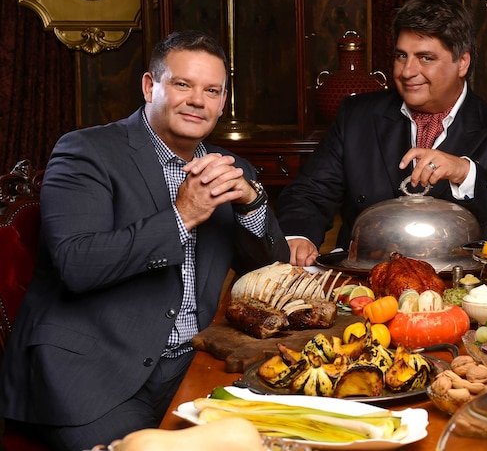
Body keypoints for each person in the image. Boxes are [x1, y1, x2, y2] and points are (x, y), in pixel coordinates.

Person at [0, 31, 290, 451]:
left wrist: (252, 202)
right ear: (149, 86)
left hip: (190, 363)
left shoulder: (230, 168)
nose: (197, 100)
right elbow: (77, 265)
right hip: (91, 375)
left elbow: (270, 272)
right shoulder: (86, 151)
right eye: (182, 84)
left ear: (223, 103)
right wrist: (183, 215)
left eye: (211, 90)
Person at [277, 0, 487, 266]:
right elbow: (309, 193)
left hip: (460, 290)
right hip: (361, 282)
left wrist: (466, 173)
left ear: (462, 62)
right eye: (402, 56)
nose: (407, 71)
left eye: (425, 58)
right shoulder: (356, 116)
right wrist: (299, 235)